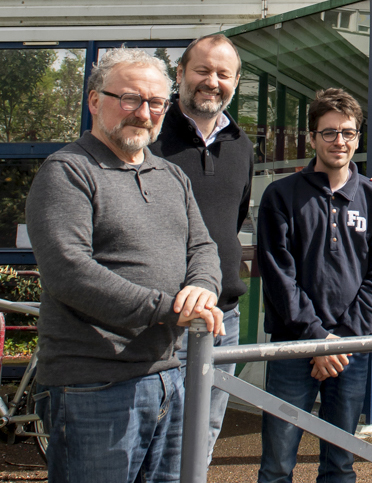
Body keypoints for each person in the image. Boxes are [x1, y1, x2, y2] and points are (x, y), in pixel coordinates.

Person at [25, 47, 224, 482]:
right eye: (131, 99)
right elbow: (68, 271)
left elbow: (203, 247)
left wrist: (203, 288)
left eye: (156, 103)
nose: (144, 112)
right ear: (95, 100)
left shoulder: (171, 176)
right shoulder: (68, 172)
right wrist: (169, 308)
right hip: (93, 385)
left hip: (169, 377)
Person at [256, 88, 372, 483]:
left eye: (349, 133)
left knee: (339, 465)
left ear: (358, 137)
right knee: (277, 464)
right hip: (292, 344)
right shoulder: (280, 195)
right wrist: (318, 339)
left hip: (350, 350)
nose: (340, 141)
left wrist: (342, 339)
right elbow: (278, 274)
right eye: (330, 132)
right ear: (313, 137)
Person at [150, 33, 254, 463]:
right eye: (203, 70)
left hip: (221, 319)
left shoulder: (241, 146)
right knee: (154, 438)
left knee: (203, 435)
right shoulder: (150, 136)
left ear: (236, 82)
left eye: (223, 74)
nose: (213, 81)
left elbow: (233, 221)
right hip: (159, 318)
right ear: (180, 74)